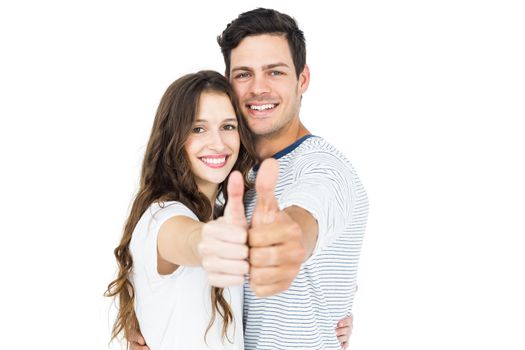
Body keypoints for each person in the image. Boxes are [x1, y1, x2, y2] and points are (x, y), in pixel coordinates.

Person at [201, 8, 369, 349]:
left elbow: (305, 219)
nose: (258, 88)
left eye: (274, 72)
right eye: (244, 74)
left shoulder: (325, 167)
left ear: (302, 80)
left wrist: (286, 243)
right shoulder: (225, 166)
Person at [105, 70, 257, 349]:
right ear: (173, 139)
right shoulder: (162, 217)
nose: (218, 143)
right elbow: (190, 239)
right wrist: (219, 241)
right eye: (198, 129)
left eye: (228, 126)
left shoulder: (220, 212)